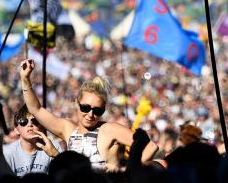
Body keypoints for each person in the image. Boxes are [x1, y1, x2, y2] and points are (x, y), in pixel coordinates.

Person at [18, 58, 158, 171]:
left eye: (97, 111)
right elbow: (36, 110)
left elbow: (150, 146)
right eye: (85, 108)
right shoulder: (68, 129)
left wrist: (124, 171)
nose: (91, 114)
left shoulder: (108, 129)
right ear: (76, 103)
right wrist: (25, 79)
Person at [2, 104, 62, 177]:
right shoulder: (7, 152)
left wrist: (55, 154)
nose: (30, 125)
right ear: (16, 130)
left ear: (42, 127)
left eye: (35, 121)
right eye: (23, 121)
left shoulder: (54, 146)